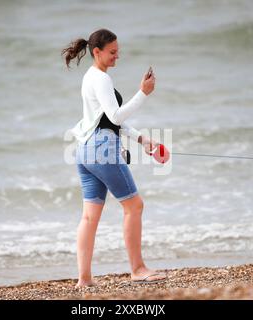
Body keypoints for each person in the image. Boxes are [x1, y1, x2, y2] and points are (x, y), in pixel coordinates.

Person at [62, 28, 167, 288]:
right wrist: (143, 93)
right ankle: (138, 269)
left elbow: (106, 121)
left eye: (118, 52)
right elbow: (117, 117)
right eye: (111, 53)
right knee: (134, 206)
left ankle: (84, 279)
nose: (116, 57)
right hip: (102, 150)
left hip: (85, 150)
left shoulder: (90, 77)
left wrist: (143, 140)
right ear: (96, 52)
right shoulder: (101, 80)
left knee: (89, 217)